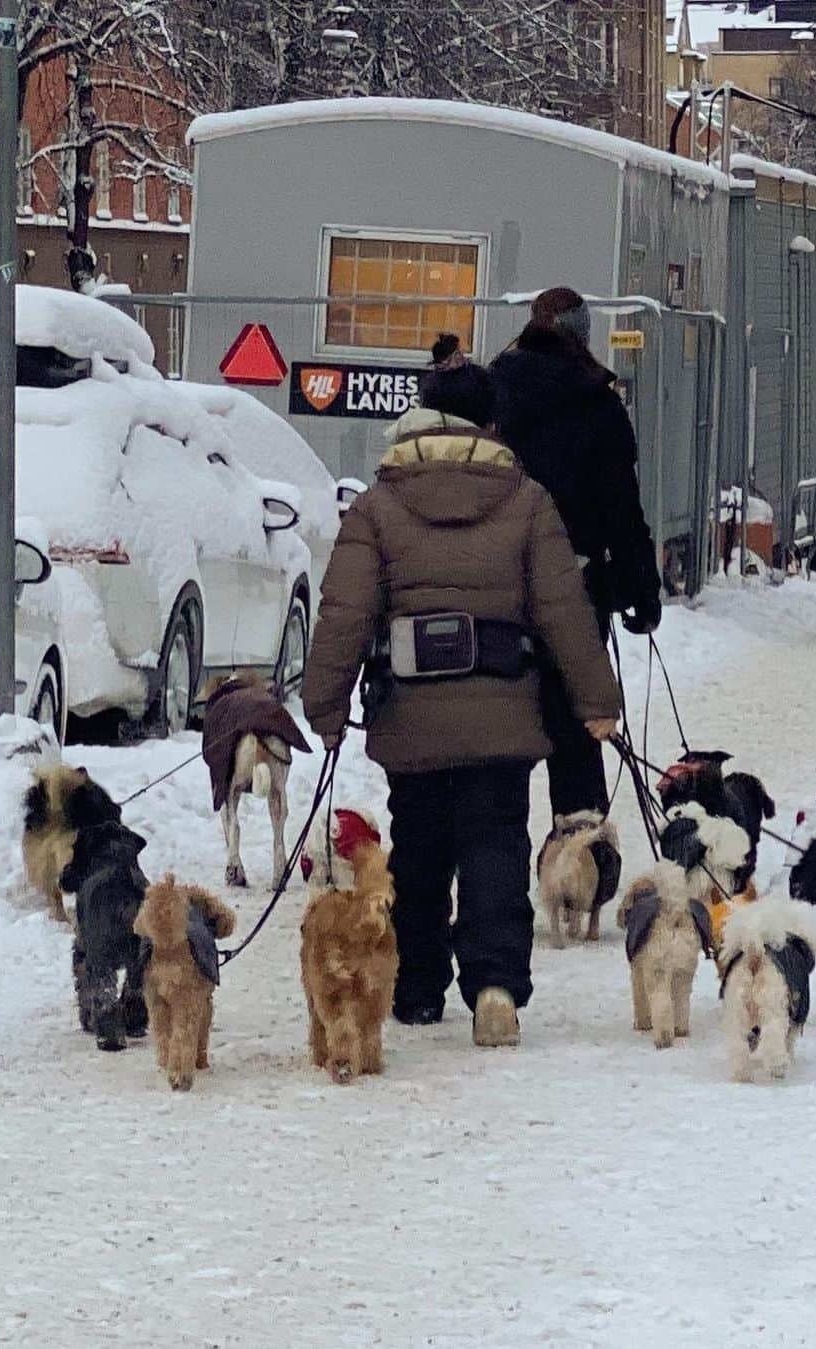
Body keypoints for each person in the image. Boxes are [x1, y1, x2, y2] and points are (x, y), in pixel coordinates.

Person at [301, 360, 619, 1046]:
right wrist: (596, 701)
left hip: (409, 710)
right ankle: (496, 987)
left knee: (417, 848)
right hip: (502, 708)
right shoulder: (526, 500)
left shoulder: (378, 505)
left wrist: (324, 706)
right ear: (491, 425)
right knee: (496, 845)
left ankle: (414, 988)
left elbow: (345, 614)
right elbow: (566, 609)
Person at [489, 286, 661, 819]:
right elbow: (620, 508)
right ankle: (580, 865)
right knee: (578, 734)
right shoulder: (597, 402)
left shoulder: (491, 392)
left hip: (496, 591)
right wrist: (640, 587)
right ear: (582, 335)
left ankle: (498, 889)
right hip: (577, 587)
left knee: (502, 749)